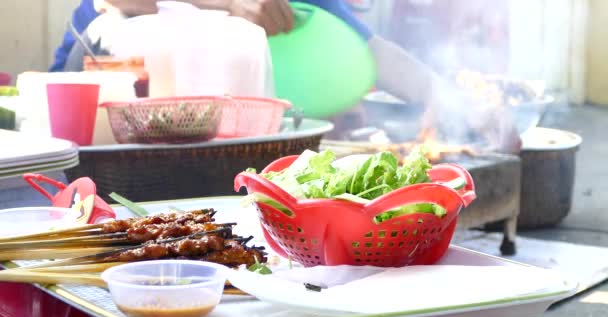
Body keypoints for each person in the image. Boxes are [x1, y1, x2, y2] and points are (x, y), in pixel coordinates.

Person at [50, 0, 520, 153]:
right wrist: (226, 5)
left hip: (217, 152)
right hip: (90, 126)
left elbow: (367, 49)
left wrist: (462, 104)